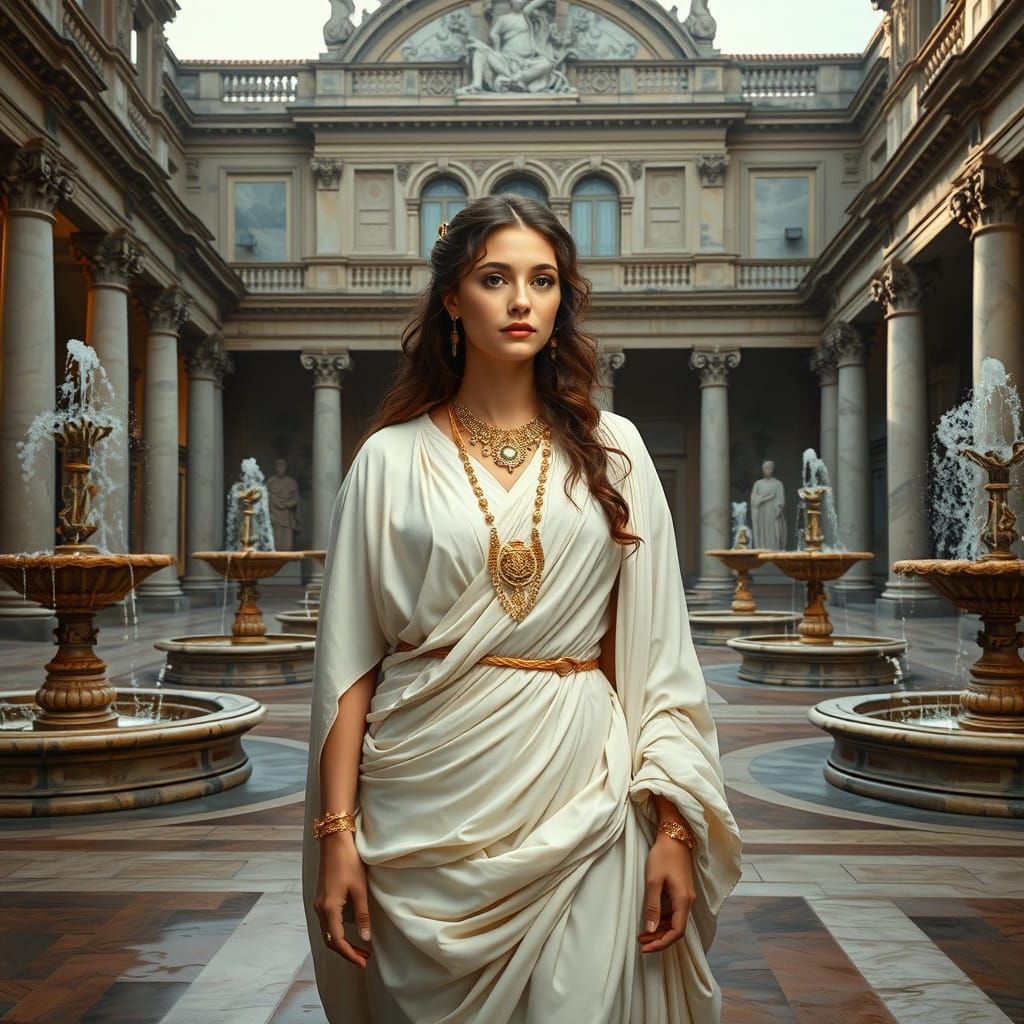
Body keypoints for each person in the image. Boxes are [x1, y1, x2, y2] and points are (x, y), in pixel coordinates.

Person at [303, 195, 741, 1023]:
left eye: (542, 281)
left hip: (584, 789)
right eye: (494, 278)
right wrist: (336, 834)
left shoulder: (617, 451)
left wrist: (675, 828)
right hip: (421, 801)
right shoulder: (387, 460)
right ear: (451, 299)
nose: (520, 301)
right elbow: (350, 669)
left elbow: (657, 654)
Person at [750, 459, 786, 551]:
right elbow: (753, 498)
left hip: (772, 511)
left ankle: (774, 548)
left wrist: (778, 508)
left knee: (773, 532)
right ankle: (761, 547)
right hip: (761, 512)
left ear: (772, 469)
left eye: (767, 468)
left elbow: (781, 500)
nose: (765, 470)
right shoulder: (758, 484)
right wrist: (760, 498)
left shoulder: (778, 484)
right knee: (762, 531)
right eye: (764, 468)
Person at [266, 457, 300, 551]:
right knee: (275, 541)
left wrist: (286, 504)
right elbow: (266, 498)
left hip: (287, 515)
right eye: (278, 466)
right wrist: (270, 513)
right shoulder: (270, 482)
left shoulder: (291, 482)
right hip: (274, 516)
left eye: (282, 466)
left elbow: (295, 500)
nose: (280, 468)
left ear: (286, 468)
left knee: (287, 543)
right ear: (275, 467)